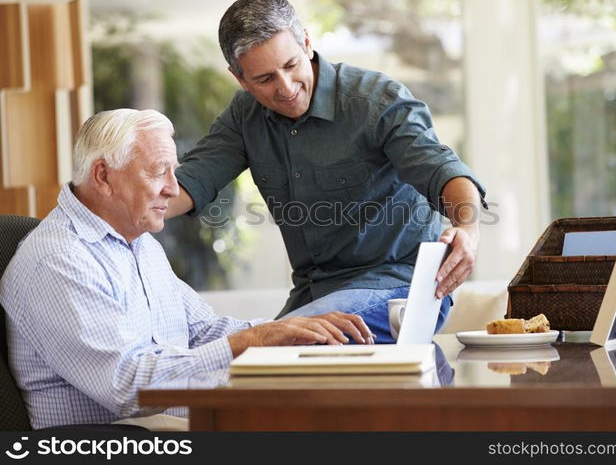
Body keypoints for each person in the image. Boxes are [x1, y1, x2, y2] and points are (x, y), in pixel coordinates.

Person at [0, 109, 373, 430]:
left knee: (333, 404)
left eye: (173, 172)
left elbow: (200, 331)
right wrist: (253, 341)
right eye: (158, 172)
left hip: (168, 420)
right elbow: (129, 387)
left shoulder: (137, 242)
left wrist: (287, 334)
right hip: (117, 437)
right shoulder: (58, 260)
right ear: (103, 176)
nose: (172, 189)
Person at [167, 0, 487, 343]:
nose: (285, 88)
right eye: (265, 79)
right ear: (240, 78)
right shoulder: (245, 116)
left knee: (262, 347)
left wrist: (466, 228)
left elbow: (442, 168)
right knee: (238, 363)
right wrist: (115, 212)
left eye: (290, 66)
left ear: (306, 43)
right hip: (315, 296)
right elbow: (189, 184)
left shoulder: (375, 100)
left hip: (401, 289)